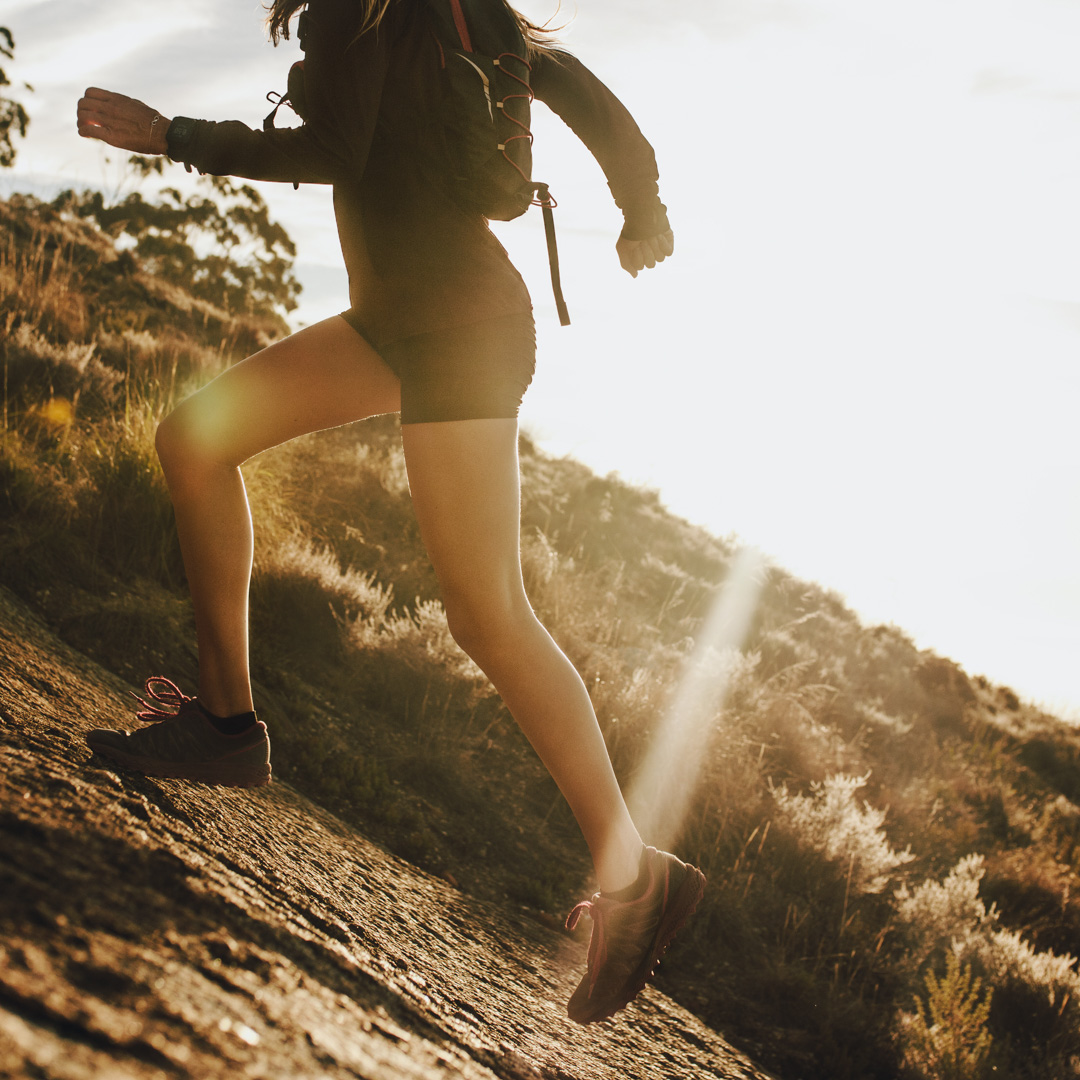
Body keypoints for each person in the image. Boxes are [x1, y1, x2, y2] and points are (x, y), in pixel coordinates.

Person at [76, 0, 701, 1025]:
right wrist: (643, 210)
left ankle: (635, 878)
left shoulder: (367, 11)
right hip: (406, 319)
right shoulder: (452, 14)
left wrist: (172, 137)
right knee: (194, 440)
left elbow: (335, 147)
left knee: (488, 613)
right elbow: (584, 90)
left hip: (454, 326)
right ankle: (228, 728)